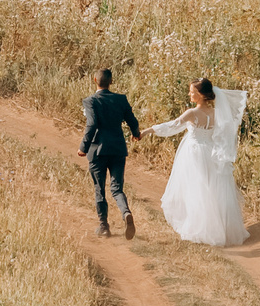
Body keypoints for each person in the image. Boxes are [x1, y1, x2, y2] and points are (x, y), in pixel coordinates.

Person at [148, 76, 248, 247]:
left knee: (196, 190)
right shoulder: (217, 113)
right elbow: (223, 134)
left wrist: (149, 130)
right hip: (211, 153)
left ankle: (201, 229)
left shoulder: (192, 113)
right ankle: (219, 229)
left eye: (192, 92)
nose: (189, 94)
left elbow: (172, 126)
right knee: (211, 190)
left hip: (194, 153)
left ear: (201, 95)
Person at [79, 66, 142, 239]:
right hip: (117, 149)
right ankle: (126, 212)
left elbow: (92, 124)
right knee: (116, 188)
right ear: (111, 82)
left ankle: (104, 227)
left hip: (97, 150)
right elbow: (132, 120)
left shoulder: (90, 101)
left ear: (95, 80)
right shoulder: (121, 99)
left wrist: (83, 147)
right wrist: (136, 133)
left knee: (99, 188)